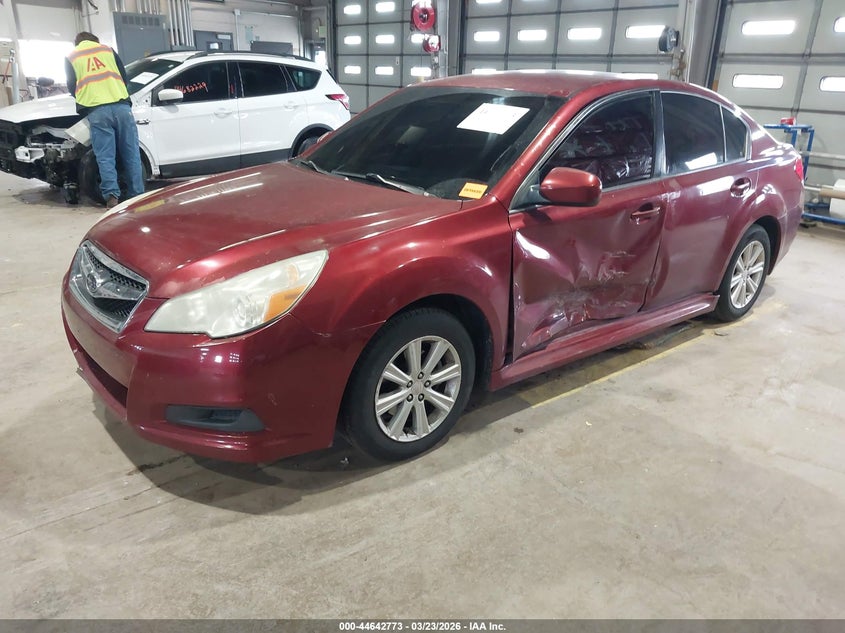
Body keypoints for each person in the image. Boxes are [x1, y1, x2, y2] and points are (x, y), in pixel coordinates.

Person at [65, 32, 144, 208]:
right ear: (95, 41)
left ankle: (112, 197)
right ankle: (137, 195)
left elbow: (72, 85)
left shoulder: (72, 56)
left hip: (97, 110)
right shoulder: (107, 50)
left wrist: (86, 97)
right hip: (122, 107)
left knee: (105, 157)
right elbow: (123, 77)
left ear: (77, 43)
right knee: (131, 153)